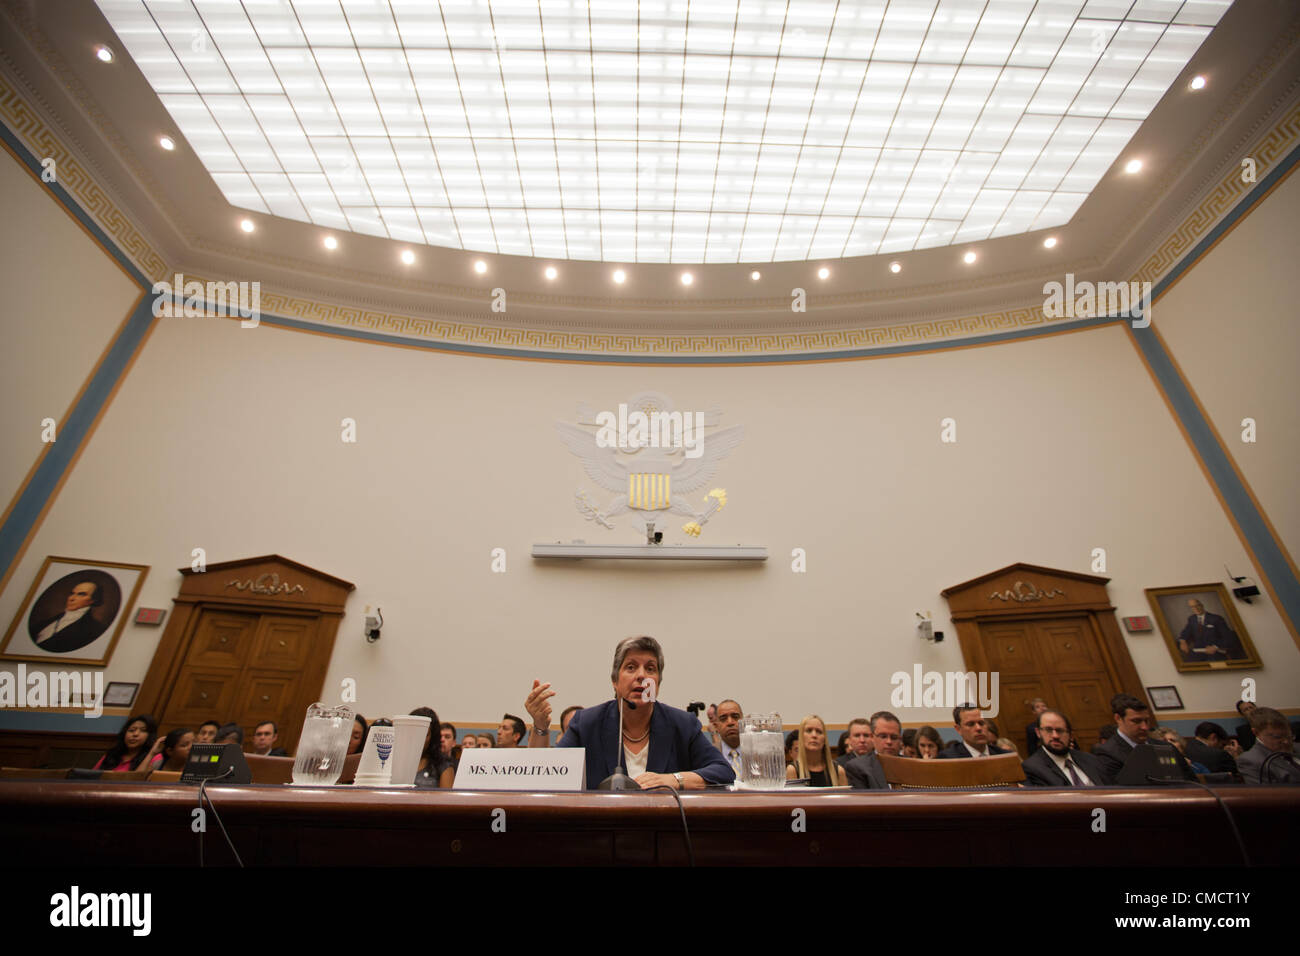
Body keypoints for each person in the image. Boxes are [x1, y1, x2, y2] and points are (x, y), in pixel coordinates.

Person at [523, 635, 734, 790]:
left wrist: (674, 779)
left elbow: (724, 773)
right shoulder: (587, 723)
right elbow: (546, 775)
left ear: (658, 683)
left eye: (650, 669)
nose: (641, 676)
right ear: (615, 681)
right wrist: (540, 726)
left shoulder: (682, 724)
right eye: (631, 667)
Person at [1093, 693, 1193, 782]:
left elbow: (1191, 781)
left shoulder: (1166, 747)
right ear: (1118, 718)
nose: (1145, 727)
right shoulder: (1107, 753)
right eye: (1136, 721)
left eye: (1147, 721)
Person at [1021, 710, 1109, 786]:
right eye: (1048, 730)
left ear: (1071, 735)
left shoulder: (1091, 759)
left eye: (1060, 731)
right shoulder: (1032, 768)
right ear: (1038, 733)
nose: (1055, 736)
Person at [31, 579, 110, 653]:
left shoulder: (93, 629)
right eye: (72, 593)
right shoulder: (48, 621)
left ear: (93, 600)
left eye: (81, 594)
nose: (72, 598)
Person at [1236, 707, 1300, 784]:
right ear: (1256, 733)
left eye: (1289, 736)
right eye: (1277, 737)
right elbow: (1269, 795)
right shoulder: (1251, 761)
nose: (1286, 741)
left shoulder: (1297, 746)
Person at [844, 711, 902, 789]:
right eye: (883, 736)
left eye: (894, 737)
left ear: (900, 739)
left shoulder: (912, 765)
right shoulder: (858, 768)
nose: (889, 742)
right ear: (872, 737)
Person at [786, 715, 847, 787]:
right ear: (801, 737)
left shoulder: (838, 771)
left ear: (824, 739)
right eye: (809, 731)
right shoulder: (792, 770)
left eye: (819, 731)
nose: (814, 735)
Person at [1176, 598, 1242, 661]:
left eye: (1197, 606)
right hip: (1198, 652)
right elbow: (1186, 632)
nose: (1195, 608)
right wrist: (1183, 641)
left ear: (1202, 605)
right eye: (1192, 607)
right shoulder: (1192, 619)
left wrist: (1215, 647)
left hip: (1215, 651)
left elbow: (1228, 637)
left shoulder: (1216, 618)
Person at [94, 714, 161, 771]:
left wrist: (151, 754)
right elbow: (92, 777)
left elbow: (138, 782)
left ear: (150, 735)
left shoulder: (155, 757)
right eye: (131, 730)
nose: (135, 734)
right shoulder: (112, 755)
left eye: (143, 730)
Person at [938, 705, 1010, 758]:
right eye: (971, 724)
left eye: (981, 723)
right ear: (958, 729)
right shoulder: (948, 758)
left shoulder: (1005, 756)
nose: (978, 728)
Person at [410, 707, 454, 788]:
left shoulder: (443, 764)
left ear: (432, 737)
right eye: (413, 732)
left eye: (423, 734)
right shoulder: (396, 760)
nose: (417, 738)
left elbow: (447, 799)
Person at [713, 699, 743, 775]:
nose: (730, 722)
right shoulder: (709, 754)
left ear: (744, 722)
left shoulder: (757, 753)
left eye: (735, 717)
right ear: (716, 726)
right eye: (723, 719)